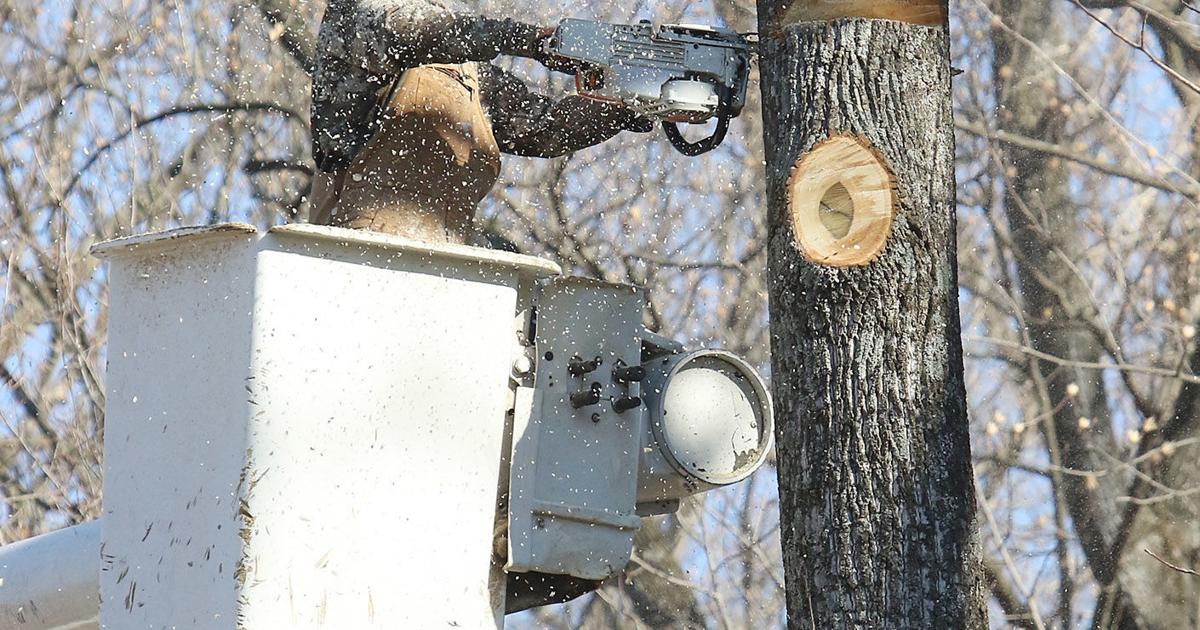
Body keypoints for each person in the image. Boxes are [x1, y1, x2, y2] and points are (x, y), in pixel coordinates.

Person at [309, 0, 650, 245]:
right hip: (352, 248)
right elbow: (416, 32)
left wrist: (637, 103)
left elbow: (546, 127)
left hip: (445, 257)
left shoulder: (467, 76)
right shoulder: (355, 13)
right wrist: (530, 40)